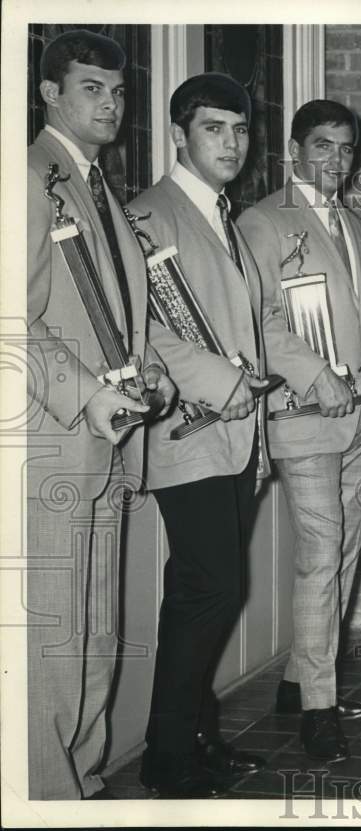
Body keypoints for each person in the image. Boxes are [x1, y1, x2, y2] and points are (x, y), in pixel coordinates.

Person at [128, 73, 289, 797]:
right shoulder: (146, 216)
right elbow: (143, 330)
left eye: (241, 130)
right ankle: (169, 758)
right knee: (212, 587)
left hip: (236, 439)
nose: (232, 143)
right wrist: (224, 385)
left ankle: (196, 733)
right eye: (214, 129)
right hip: (187, 436)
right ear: (180, 134)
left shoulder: (227, 216)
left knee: (202, 592)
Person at [25, 29, 175, 800]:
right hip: (51, 448)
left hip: (109, 442)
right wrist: (86, 389)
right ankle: (48, 799)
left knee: (96, 638)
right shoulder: (27, 176)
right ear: (50, 92)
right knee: (54, 643)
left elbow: (110, 312)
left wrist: (145, 370)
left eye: (118, 92)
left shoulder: (99, 185)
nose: (110, 104)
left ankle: (80, 785)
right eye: (92, 88)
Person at [238, 99, 361, 762]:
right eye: (323, 145)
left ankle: (300, 681)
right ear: (294, 149)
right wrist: (315, 375)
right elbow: (258, 321)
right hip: (304, 416)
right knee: (320, 557)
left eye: (346, 148)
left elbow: (358, 317)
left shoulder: (351, 223)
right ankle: (320, 710)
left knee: (346, 554)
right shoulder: (262, 222)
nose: (336, 159)